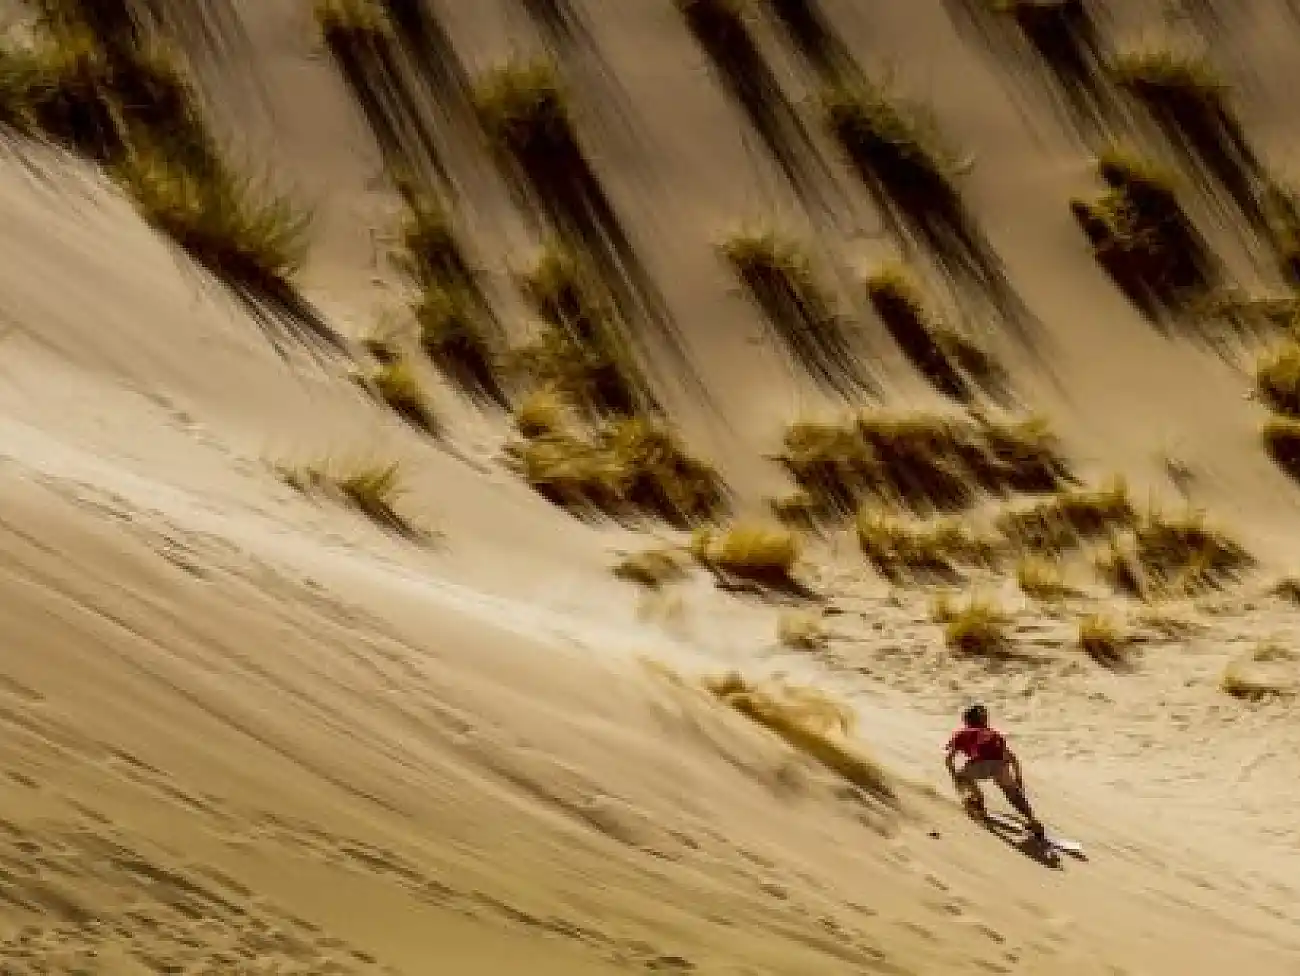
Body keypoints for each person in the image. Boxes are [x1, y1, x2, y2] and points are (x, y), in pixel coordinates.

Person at [945, 702, 1045, 840]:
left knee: (962, 777)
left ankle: (978, 803)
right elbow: (1012, 758)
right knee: (1013, 794)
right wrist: (1018, 779)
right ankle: (1033, 821)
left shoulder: (962, 733)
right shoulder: (993, 733)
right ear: (983, 719)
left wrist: (955, 777)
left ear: (967, 720)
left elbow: (949, 758)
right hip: (1000, 765)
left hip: (980, 764)